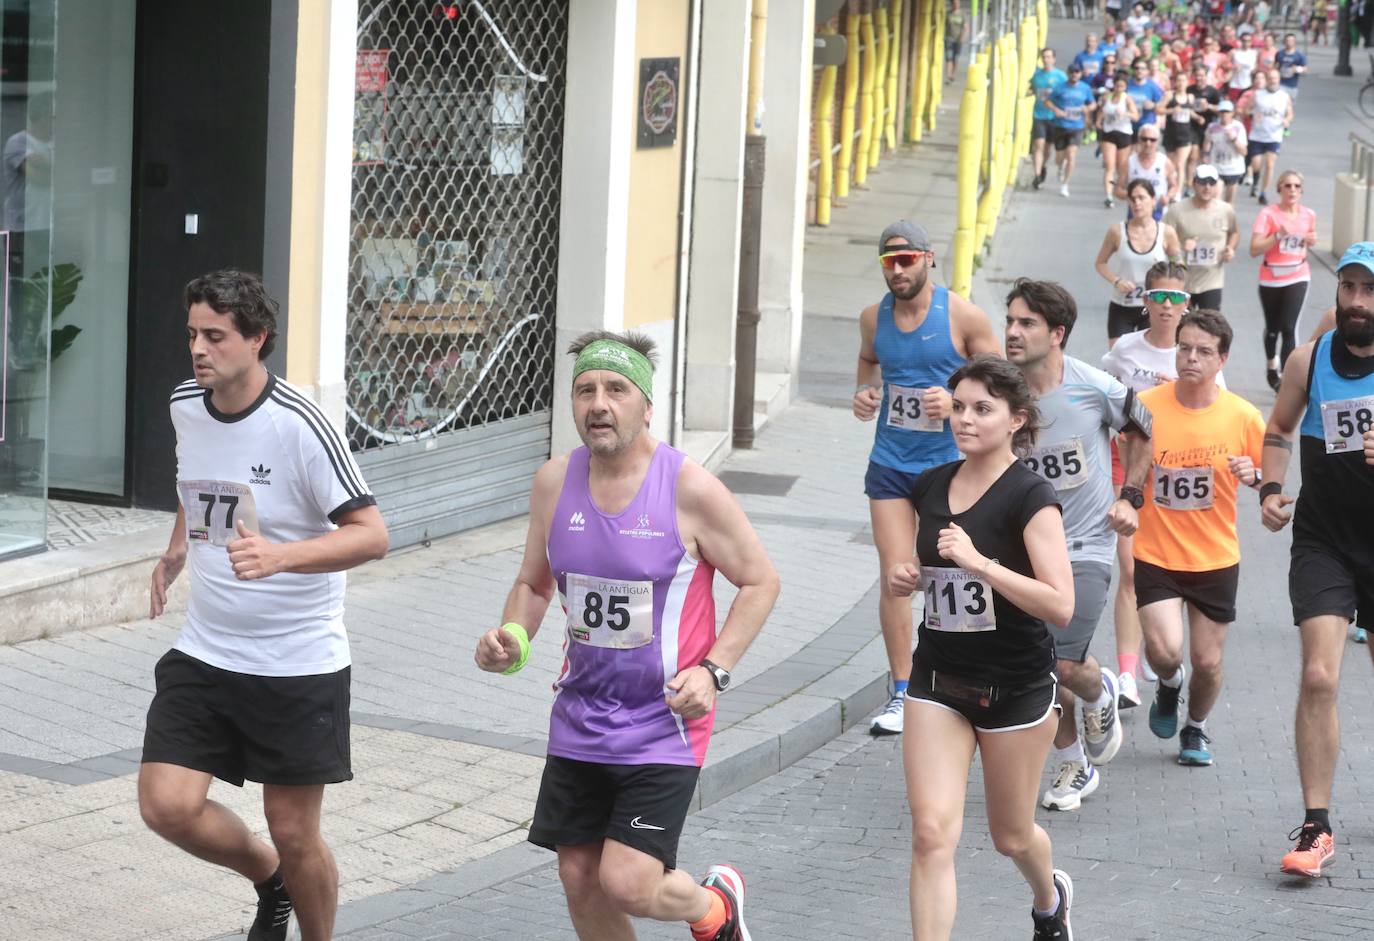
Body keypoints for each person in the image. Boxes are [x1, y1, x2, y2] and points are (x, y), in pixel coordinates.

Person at [474, 330, 780, 941]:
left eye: (616, 389)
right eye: (585, 390)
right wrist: (512, 638)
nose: (598, 404)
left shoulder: (689, 488)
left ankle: (715, 907)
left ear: (646, 404)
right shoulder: (553, 482)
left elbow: (760, 581)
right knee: (580, 877)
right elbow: (534, 584)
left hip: (664, 720)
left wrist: (713, 671)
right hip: (581, 715)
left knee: (629, 883)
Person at [139, 270, 391, 941]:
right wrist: (176, 548)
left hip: (296, 662)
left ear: (257, 338)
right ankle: (269, 877)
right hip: (207, 648)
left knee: (295, 830)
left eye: (215, 336)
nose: (199, 349)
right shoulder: (186, 403)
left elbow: (372, 535)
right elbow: (196, 481)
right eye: (192, 334)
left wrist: (281, 556)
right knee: (166, 805)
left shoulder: (300, 424)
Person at [889, 354, 1076, 940]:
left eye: (982, 409)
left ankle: (1049, 897)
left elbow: (1060, 604)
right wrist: (908, 576)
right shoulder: (930, 485)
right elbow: (933, 570)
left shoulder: (1031, 495)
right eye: (959, 407)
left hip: (1015, 687)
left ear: (1016, 419)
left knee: (1011, 837)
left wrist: (980, 563)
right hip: (938, 680)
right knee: (930, 834)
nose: (965, 419)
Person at [1003, 280, 1153, 813]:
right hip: (1023, 550)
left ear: (1057, 333)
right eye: (1010, 321)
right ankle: (1075, 761)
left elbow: (1143, 428)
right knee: (1035, 663)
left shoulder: (1095, 386)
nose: (1013, 332)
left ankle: (1097, 691)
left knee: (1059, 665)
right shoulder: (1000, 390)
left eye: (1027, 323)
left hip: (1087, 544)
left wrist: (1130, 496)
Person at [855, 221, 1001, 736]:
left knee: (951, 576)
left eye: (907, 259)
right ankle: (902, 690)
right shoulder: (873, 318)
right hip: (891, 464)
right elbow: (869, 362)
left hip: (949, 469)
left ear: (928, 258)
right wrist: (864, 393)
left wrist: (955, 400)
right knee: (897, 575)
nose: (898, 269)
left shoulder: (963, 316)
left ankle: (961, 679)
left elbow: (1002, 386)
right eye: (889, 261)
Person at [1261, 242, 1374, 879]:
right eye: (1349, 287)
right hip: (1324, 540)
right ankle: (1316, 826)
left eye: (1370, 290)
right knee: (1319, 676)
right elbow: (1279, 428)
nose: (1357, 301)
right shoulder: (1309, 360)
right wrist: (1271, 488)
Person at [1135, 309, 1265, 767]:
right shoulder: (1145, 406)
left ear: (1222, 359)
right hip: (1156, 552)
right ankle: (1169, 683)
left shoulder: (1243, 416)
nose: (1191, 357)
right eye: (1184, 348)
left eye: (1203, 351)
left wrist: (1256, 474)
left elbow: (1269, 477)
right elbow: (1124, 463)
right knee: (1164, 652)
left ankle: (1195, 727)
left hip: (1215, 558)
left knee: (1207, 664)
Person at [1100, 261, 1197, 709]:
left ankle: (1154, 645)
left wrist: (1180, 391)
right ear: (1145, 300)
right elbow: (1103, 395)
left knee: (1168, 570)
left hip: (1176, 473)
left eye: (1176, 297)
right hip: (1127, 466)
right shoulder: (1125, 350)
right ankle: (1125, 675)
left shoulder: (1195, 352)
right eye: (1158, 296)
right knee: (1131, 569)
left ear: (1187, 304)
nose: (1166, 305)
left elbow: (1215, 406)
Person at [1251, 168, 1317, 390]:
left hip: (1298, 275)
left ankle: (1287, 380)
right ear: (1279, 189)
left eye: (1297, 186)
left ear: (1302, 190)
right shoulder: (1268, 214)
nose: (1292, 190)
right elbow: (1254, 249)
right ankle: (1272, 365)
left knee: (1289, 327)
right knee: (1273, 329)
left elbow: (1307, 240)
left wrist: (1310, 240)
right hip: (1271, 277)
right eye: (1287, 185)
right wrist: (1277, 235)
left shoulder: (1309, 214)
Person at [1097, 177, 1182, 342]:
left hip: (1154, 307)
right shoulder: (1116, 231)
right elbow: (1100, 263)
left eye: (1141, 198)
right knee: (1119, 355)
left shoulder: (1166, 232)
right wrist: (1116, 281)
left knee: (1150, 355)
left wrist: (1169, 292)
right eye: (1132, 199)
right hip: (1122, 305)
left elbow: (1179, 267)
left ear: (1153, 200)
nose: (1137, 203)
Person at [1165, 164, 1239, 310]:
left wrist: (1230, 248)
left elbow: (1234, 232)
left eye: (1211, 183)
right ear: (1194, 183)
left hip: (1212, 280)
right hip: (1183, 280)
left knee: (1210, 322)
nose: (1207, 187)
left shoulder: (1226, 210)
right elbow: (1162, 239)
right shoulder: (1177, 210)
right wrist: (1181, 249)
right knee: (1184, 322)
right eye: (1202, 182)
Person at [1048, 63, 1097, 197]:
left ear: (1080, 74)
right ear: (1068, 73)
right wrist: (1056, 110)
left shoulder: (1085, 88)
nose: (1074, 74)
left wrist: (1087, 108)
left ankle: (1065, 185)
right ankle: (1060, 166)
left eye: (1077, 72)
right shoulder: (1059, 87)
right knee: (1059, 158)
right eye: (1072, 72)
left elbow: (1093, 104)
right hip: (1061, 125)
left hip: (1077, 126)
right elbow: (1048, 101)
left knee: (1071, 155)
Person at [1246, 68, 1292, 204]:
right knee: (1256, 164)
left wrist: (1287, 120)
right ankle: (1255, 179)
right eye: (1270, 78)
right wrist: (1253, 114)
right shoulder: (1257, 95)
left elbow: (1290, 113)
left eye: (1275, 78)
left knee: (1270, 164)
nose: (1273, 81)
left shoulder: (1284, 96)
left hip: (1274, 136)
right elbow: (1246, 109)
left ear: (1279, 79)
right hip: (1257, 135)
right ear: (1266, 80)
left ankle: (1263, 192)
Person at [1117, 126, 1180, 217]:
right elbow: (1118, 189)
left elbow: (1174, 186)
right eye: (1144, 139)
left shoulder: (1165, 162)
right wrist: (1132, 196)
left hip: (1158, 212)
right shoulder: (1129, 162)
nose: (1148, 143)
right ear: (1139, 140)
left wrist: (1168, 197)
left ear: (1158, 142)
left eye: (1152, 140)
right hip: (1135, 213)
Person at [1097, 72, 1140, 207]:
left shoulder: (1127, 99)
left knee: (1121, 167)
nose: (1119, 89)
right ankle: (1108, 196)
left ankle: (1120, 190)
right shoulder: (1107, 97)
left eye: (1122, 86)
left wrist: (1125, 113)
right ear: (1113, 86)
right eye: (1117, 86)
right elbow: (1102, 111)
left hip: (1124, 133)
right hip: (1109, 132)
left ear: (1125, 87)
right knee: (1109, 165)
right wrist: (1098, 121)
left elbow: (1136, 116)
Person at [1032, 48, 1069, 190]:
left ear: (1054, 59)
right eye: (1044, 57)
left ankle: (1042, 166)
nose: (1046, 59)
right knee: (1038, 145)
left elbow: (1067, 92)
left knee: (1048, 149)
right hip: (1039, 115)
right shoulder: (1036, 75)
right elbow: (1032, 88)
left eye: (1049, 57)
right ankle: (1037, 176)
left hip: (1054, 117)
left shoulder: (1060, 76)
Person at [1202, 99, 1248, 202]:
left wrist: (1233, 139)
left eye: (1227, 112)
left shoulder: (1238, 127)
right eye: (1222, 111)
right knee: (1216, 199)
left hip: (1234, 169)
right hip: (1217, 168)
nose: (1224, 114)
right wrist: (1205, 155)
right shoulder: (1212, 127)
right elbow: (1207, 141)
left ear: (1232, 113)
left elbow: (1244, 151)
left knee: (1229, 202)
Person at [1160, 72, 1198, 196]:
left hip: (1185, 134)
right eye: (1179, 80)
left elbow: (1190, 112)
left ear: (1187, 82)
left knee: (1180, 164)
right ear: (1175, 82)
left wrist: (1198, 118)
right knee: (1171, 164)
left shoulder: (1190, 97)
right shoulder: (1169, 96)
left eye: (1183, 80)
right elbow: (1158, 109)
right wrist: (1171, 110)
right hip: (1171, 133)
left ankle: (1178, 192)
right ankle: (1171, 187)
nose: (1181, 83)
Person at [1125, 56, 1165, 135]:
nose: (1139, 71)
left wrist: (1153, 105)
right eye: (1137, 68)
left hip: (1146, 127)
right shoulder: (1126, 84)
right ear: (1133, 70)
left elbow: (1163, 104)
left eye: (1143, 69)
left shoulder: (1152, 86)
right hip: (1127, 126)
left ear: (1147, 71)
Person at [1226, 31, 1260, 101]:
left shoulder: (1254, 53)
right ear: (1240, 41)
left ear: (1251, 42)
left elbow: (1257, 66)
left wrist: (1255, 70)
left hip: (1249, 85)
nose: (1246, 43)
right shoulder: (1234, 52)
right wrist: (1233, 67)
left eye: (1249, 41)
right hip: (1235, 85)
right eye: (1244, 41)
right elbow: (1224, 64)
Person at [1274, 33, 1307, 100]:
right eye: (1287, 40)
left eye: (1291, 41)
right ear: (1284, 42)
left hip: (1292, 85)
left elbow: (1305, 69)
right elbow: (1275, 66)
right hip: (1281, 84)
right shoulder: (1279, 53)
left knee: (1290, 104)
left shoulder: (1299, 55)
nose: (1289, 42)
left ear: (1294, 42)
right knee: (1280, 102)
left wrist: (1297, 69)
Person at [946, 0, 970, 84]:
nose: (956, 5)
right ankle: (949, 75)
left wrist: (963, 37)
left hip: (958, 40)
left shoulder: (962, 14)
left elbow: (966, 27)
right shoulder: (948, 14)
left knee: (955, 58)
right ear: (951, 4)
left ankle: (953, 74)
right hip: (949, 38)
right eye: (954, 3)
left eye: (957, 3)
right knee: (949, 57)